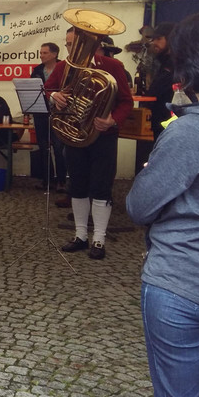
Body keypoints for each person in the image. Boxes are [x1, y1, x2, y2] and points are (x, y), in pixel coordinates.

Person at [126, 8, 199, 397]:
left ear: (187, 64)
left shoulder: (193, 131)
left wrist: (152, 172)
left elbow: (139, 207)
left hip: (181, 282)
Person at [47, 35, 133, 260]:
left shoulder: (113, 66)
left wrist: (113, 120)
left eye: (76, 42)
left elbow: (126, 101)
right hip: (73, 133)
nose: (72, 47)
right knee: (77, 185)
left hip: (103, 135)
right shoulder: (63, 67)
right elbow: (48, 89)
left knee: (101, 186)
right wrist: (55, 95)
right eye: (69, 43)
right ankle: (81, 235)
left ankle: (99, 239)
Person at [31, 42, 67, 192]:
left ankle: (62, 181)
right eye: (40, 53)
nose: (41, 55)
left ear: (54, 54)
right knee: (43, 147)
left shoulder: (64, 68)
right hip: (40, 113)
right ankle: (47, 180)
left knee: (58, 148)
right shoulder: (37, 70)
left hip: (59, 113)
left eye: (44, 53)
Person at [146, 22, 176, 140]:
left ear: (170, 39)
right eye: (153, 39)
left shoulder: (175, 64)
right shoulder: (163, 63)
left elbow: (155, 91)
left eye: (158, 39)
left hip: (169, 126)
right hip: (161, 124)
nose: (154, 43)